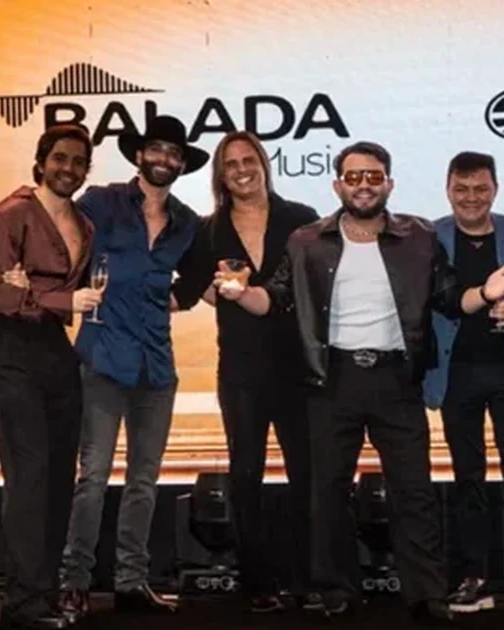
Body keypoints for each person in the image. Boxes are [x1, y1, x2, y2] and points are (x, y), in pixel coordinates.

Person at [225, 140, 504, 624]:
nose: (364, 185)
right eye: (354, 176)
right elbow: (275, 299)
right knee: (327, 491)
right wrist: (241, 294)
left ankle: (425, 594)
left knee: (414, 492)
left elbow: (450, 299)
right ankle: (337, 590)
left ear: (389, 184)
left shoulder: (419, 237)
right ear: (337, 185)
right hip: (330, 380)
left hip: (396, 379)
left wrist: (485, 294)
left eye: (374, 176)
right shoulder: (306, 241)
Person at [61, 115, 205, 613]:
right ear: (139, 155)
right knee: (93, 476)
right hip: (102, 357)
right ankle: (74, 581)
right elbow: (64, 247)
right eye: (157, 149)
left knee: (144, 481)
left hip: (156, 365)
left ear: (182, 164)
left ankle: (131, 581)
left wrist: (170, 300)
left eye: (174, 153)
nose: (164, 159)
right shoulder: (101, 202)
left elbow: (199, 277)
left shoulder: (187, 221)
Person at [171, 131, 319, 613]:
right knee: (246, 474)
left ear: (263, 163)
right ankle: (257, 582)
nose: (241, 170)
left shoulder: (300, 219)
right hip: (240, 369)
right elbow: (188, 289)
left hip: (298, 367)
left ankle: (309, 579)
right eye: (231, 163)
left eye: (248, 160)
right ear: (220, 174)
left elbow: (318, 284)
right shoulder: (208, 231)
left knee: (308, 475)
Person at [0, 123, 101, 629]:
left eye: (78, 161)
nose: (68, 168)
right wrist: (60, 299)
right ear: (41, 161)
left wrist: (37, 293)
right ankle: (23, 602)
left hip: (56, 349)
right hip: (11, 348)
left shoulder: (85, 225)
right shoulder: (8, 214)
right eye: (60, 158)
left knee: (58, 476)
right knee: (28, 475)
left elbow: (27, 291)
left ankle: (45, 594)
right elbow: (0, 295)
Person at [422, 151, 504, 615]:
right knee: (467, 478)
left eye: (480, 188)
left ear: (495, 189)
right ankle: (472, 577)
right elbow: (426, 300)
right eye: (462, 189)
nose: (471, 197)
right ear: (447, 189)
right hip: (456, 373)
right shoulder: (429, 236)